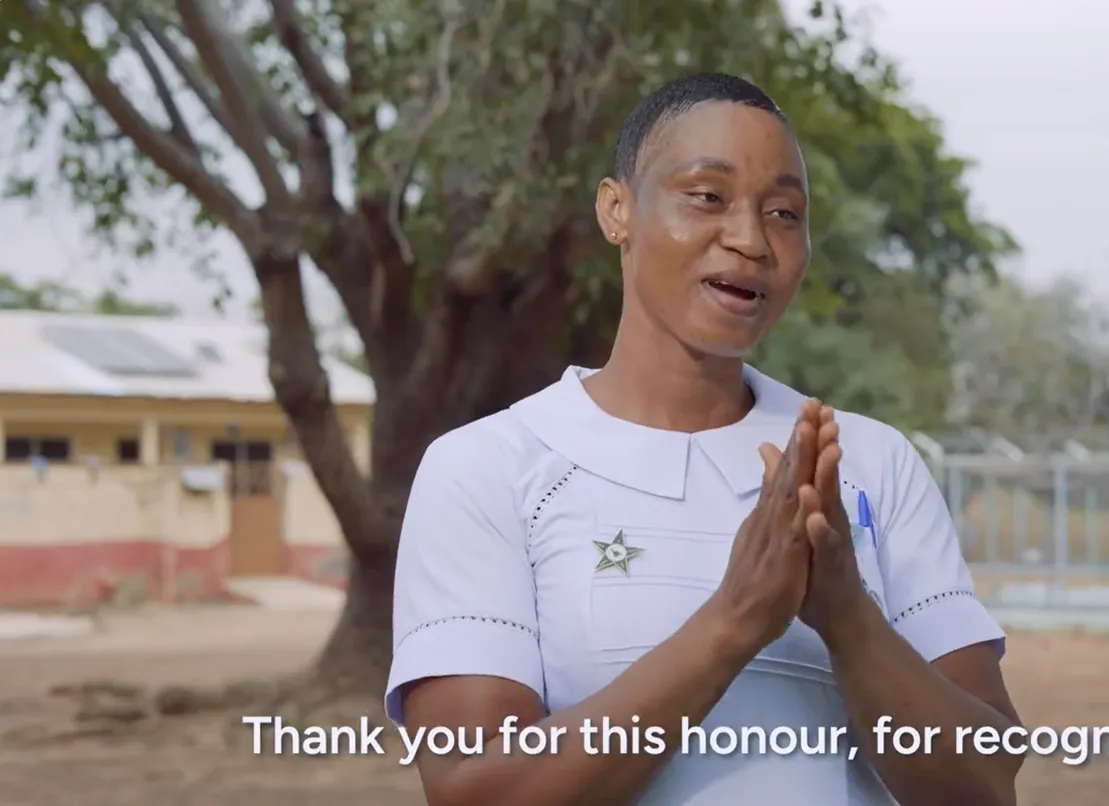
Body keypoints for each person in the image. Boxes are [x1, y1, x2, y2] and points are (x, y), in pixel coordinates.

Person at [387, 72, 1022, 806]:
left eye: (784, 213)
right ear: (616, 210)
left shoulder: (870, 463)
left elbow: (985, 785)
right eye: (707, 197)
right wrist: (734, 621)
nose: (751, 239)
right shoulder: (490, 467)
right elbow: (474, 792)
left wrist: (847, 613)